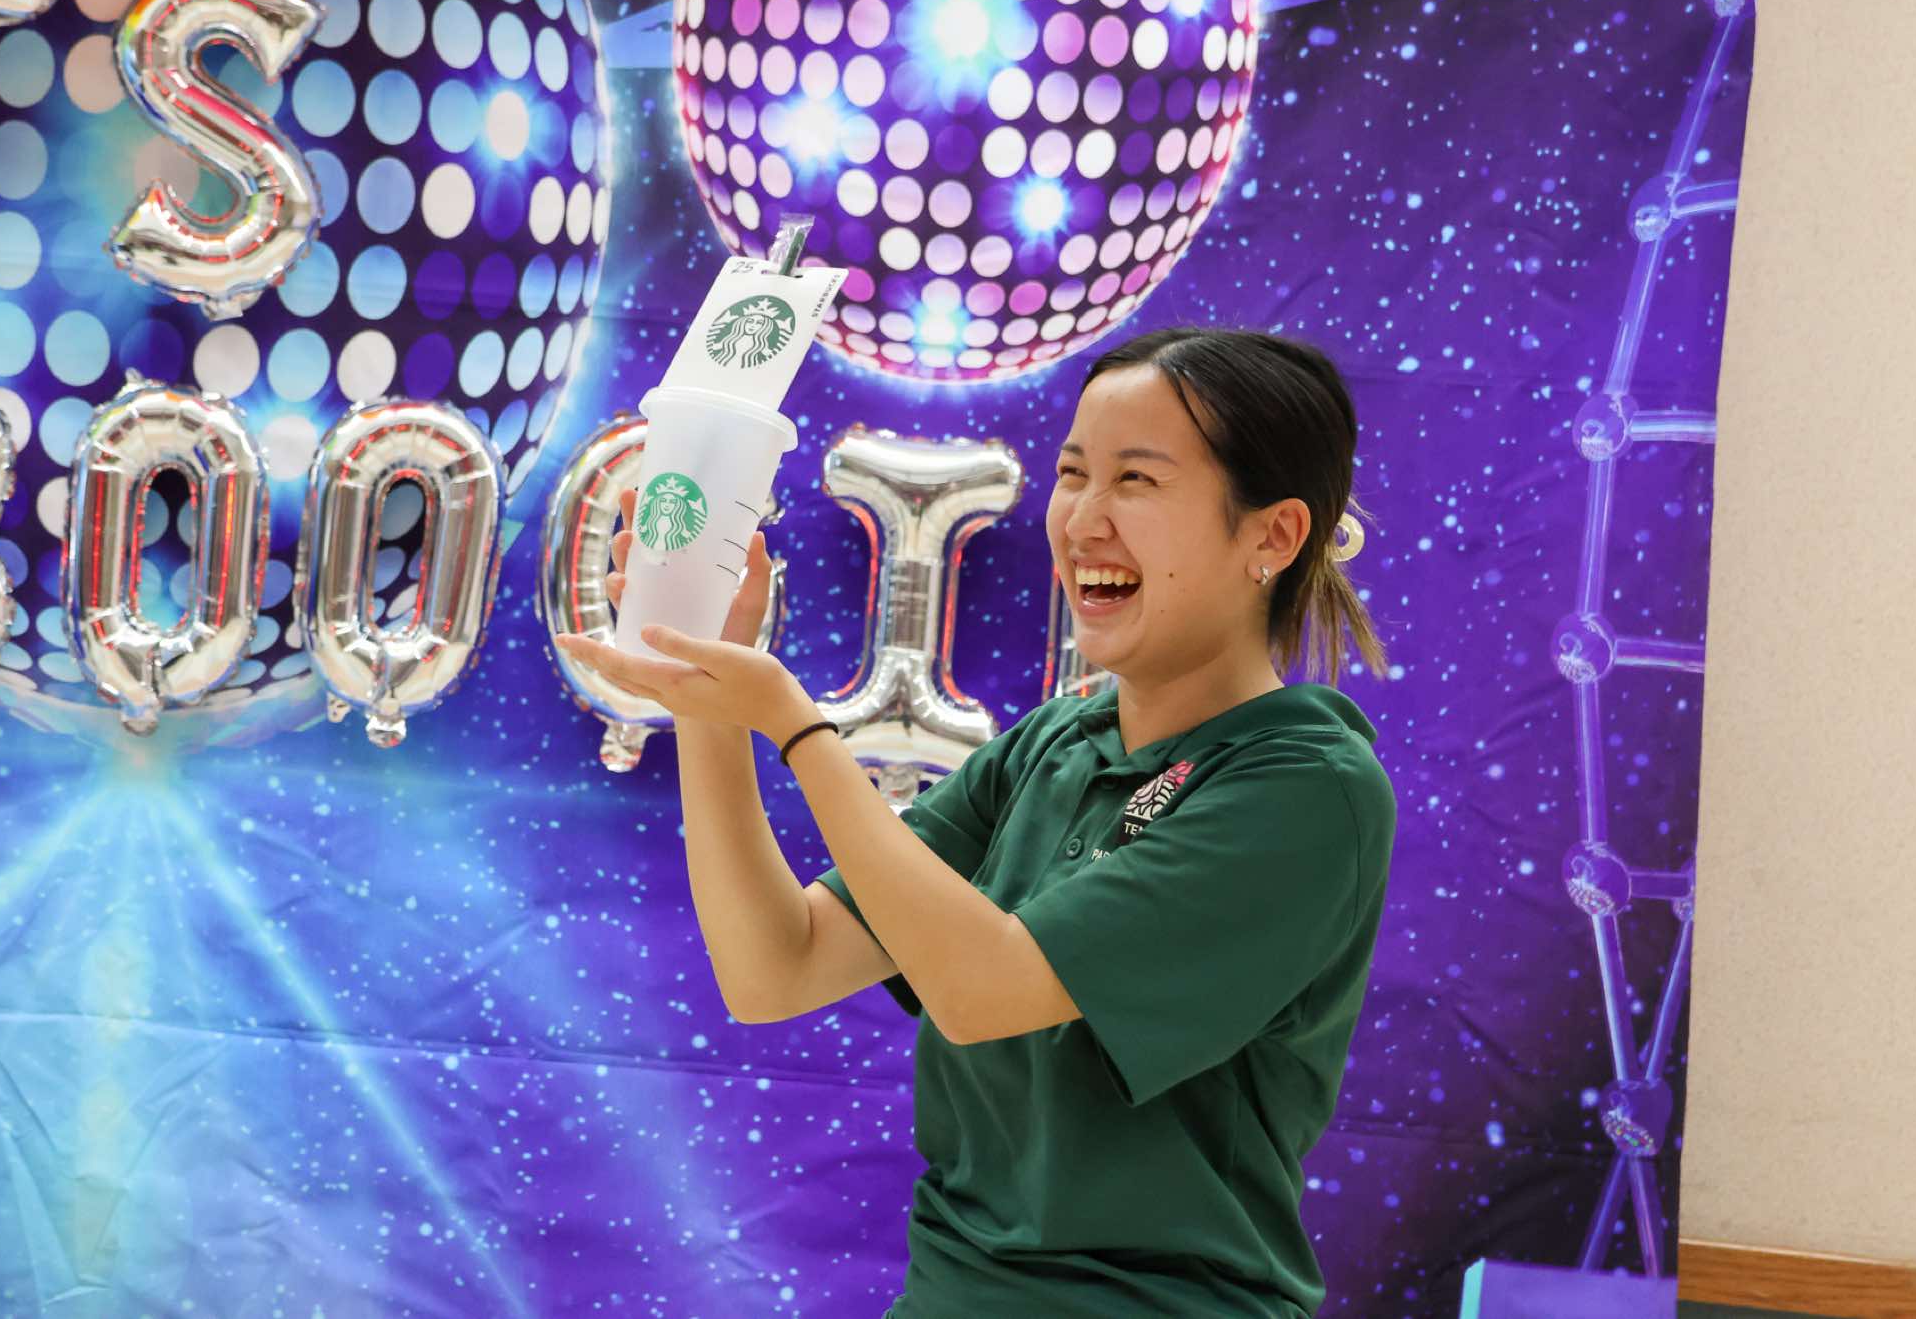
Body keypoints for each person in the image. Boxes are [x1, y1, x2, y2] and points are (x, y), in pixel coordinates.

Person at [556, 326, 1397, 1318]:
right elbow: (774, 967)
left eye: (1136, 480)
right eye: (1073, 474)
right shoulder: (1053, 744)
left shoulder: (1305, 787)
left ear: (1273, 535)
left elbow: (981, 989)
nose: (1083, 518)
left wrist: (798, 727)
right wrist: (704, 691)